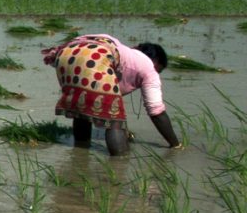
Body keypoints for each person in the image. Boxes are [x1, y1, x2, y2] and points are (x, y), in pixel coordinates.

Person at [41, 35, 180, 155]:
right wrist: (175, 144)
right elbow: (156, 111)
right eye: (159, 70)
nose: (157, 73)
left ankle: (80, 153)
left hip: (67, 55)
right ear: (156, 62)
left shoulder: (125, 53)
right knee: (114, 121)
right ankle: (119, 163)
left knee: (81, 111)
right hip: (95, 56)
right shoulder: (149, 67)